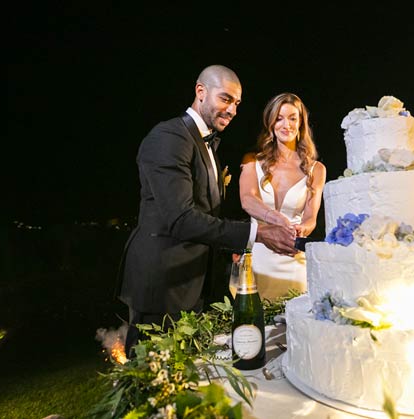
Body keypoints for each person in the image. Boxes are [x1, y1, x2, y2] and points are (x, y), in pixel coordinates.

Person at [117, 65, 297, 357]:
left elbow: (207, 216)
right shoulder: (169, 137)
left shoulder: (208, 145)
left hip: (195, 283)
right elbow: (181, 218)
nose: (233, 110)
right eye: (226, 99)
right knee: (155, 382)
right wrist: (256, 233)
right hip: (163, 286)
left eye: (237, 103)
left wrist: (235, 249)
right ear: (200, 92)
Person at [238, 92, 326, 301]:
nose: (286, 125)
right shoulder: (252, 161)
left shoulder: (317, 170)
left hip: (293, 258)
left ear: (301, 123)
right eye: (279, 118)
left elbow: (310, 218)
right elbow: (247, 200)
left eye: (292, 118)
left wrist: (300, 230)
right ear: (271, 123)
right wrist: (276, 218)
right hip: (258, 258)